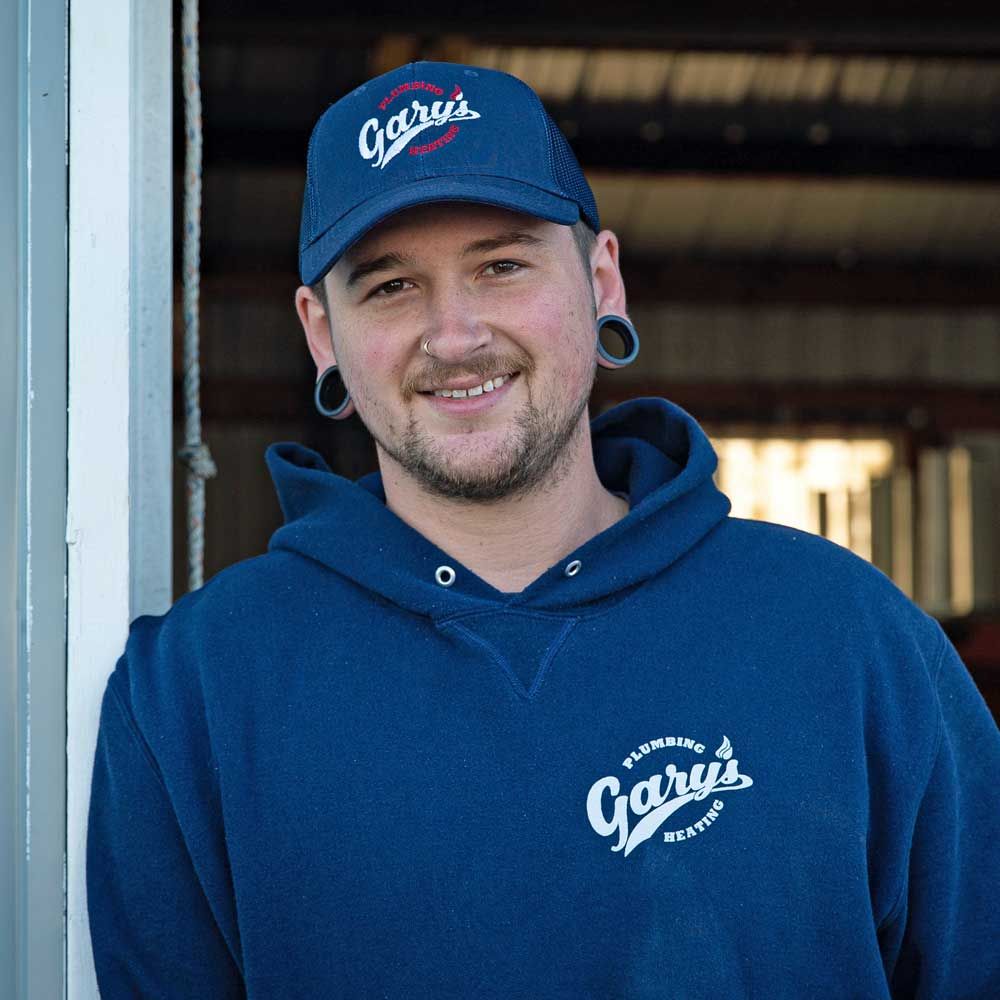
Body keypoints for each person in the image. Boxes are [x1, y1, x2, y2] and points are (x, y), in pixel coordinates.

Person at [87, 61, 1000, 999]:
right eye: (391, 286)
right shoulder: (192, 692)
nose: (455, 334)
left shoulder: (845, 638)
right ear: (322, 333)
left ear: (603, 278)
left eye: (502, 264)